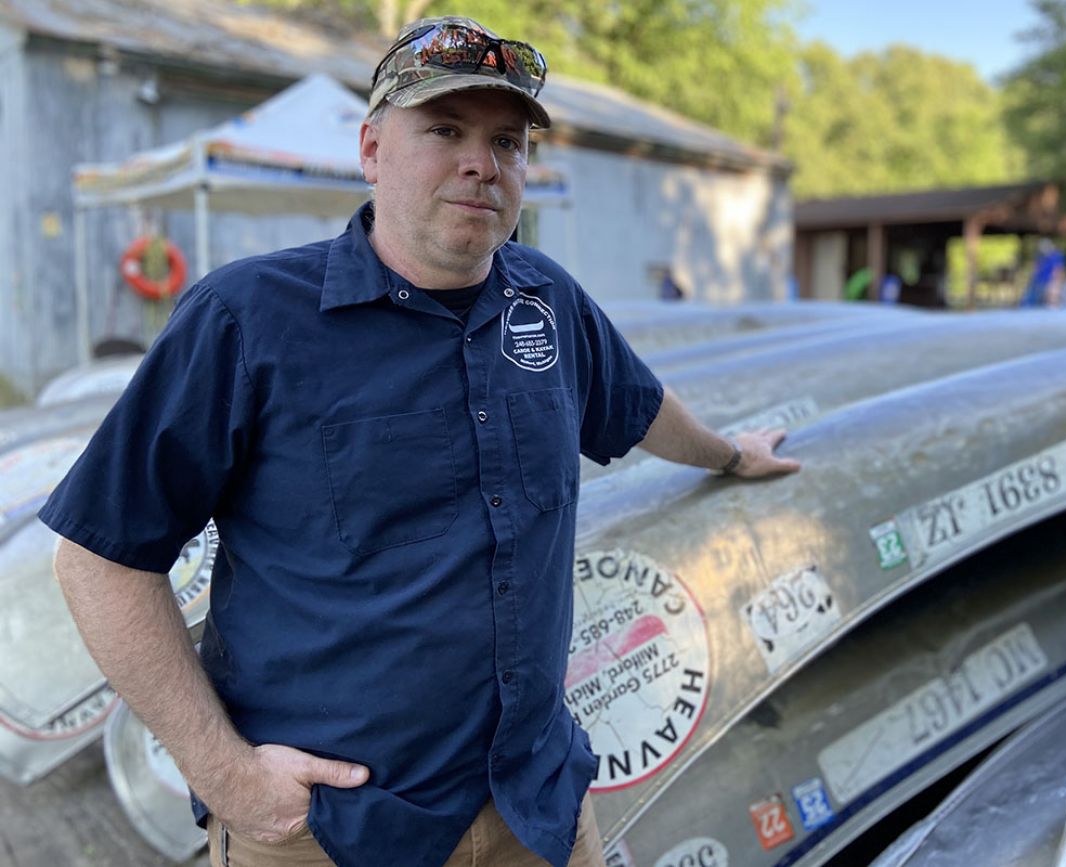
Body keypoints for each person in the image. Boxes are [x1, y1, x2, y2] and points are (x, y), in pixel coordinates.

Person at [40, 17, 799, 867]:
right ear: (371, 149)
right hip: (331, 830)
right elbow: (100, 559)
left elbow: (640, 405)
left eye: (507, 142)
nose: (483, 162)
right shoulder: (247, 319)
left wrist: (731, 454)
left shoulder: (545, 298)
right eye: (445, 130)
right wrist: (226, 775)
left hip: (535, 808)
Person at [1019, 238, 1066, 308]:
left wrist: (1057, 281)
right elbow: (1036, 269)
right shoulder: (1041, 256)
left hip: (1050, 281)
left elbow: (1059, 269)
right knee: (1032, 297)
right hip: (1039, 281)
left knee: (1052, 294)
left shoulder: (1056, 256)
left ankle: (1053, 307)